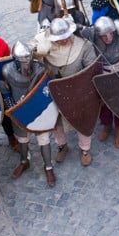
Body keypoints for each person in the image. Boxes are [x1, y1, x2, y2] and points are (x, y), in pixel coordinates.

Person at [32, 17, 100, 166]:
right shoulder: (46, 48)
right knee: (56, 121)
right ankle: (62, 145)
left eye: (66, 36)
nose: (63, 40)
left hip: (79, 91)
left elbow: (91, 70)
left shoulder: (84, 46)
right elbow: (34, 65)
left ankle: (85, 149)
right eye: (59, 38)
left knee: (83, 119)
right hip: (56, 93)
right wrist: (37, 52)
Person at [1, 41, 56, 186]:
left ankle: (48, 166)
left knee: (44, 139)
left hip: (38, 110)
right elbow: (5, 90)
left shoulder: (40, 69)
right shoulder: (7, 71)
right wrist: (12, 108)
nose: (27, 64)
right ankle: (24, 161)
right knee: (22, 139)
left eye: (29, 60)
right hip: (19, 111)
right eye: (22, 61)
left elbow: (47, 89)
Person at [82, 16, 119, 148]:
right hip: (103, 78)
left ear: (114, 32)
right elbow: (81, 31)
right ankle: (106, 125)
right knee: (104, 106)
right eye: (103, 36)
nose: (106, 38)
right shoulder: (95, 38)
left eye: (109, 34)